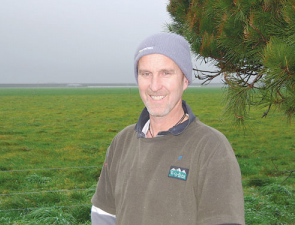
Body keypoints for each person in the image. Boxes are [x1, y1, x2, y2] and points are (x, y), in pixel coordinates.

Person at [91, 33, 245, 225]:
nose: (154, 86)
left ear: (185, 80)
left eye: (166, 73)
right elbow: (103, 216)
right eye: (146, 74)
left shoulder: (211, 147)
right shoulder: (121, 143)